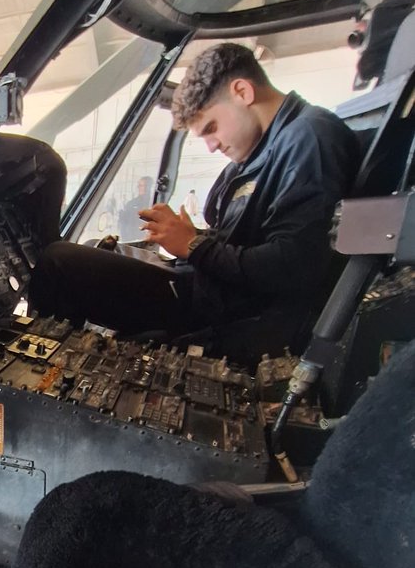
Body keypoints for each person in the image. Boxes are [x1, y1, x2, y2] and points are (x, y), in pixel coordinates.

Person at [30, 43, 360, 365]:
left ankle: (36, 377)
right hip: (205, 289)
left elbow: (294, 264)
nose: (212, 146)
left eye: (211, 129)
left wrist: (194, 245)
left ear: (243, 92)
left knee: (59, 263)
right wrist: (190, 238)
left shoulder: (310, 138)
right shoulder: (267, 148)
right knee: (77, 255)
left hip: (222, 315)